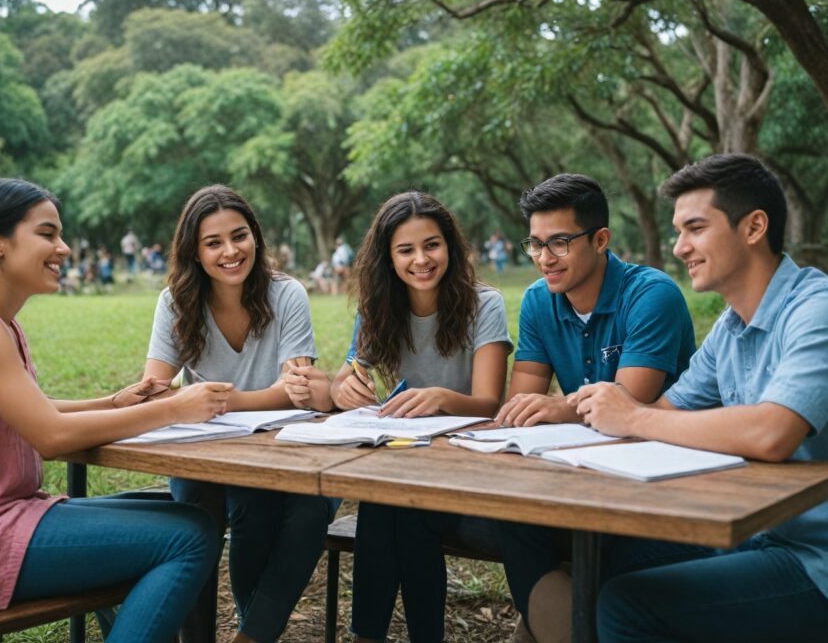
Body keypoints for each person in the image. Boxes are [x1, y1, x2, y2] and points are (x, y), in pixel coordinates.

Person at [0, 179, 232, 643]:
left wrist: (110, 402)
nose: (64, 248)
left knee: (186, 511)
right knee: (187, 538)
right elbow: (49, 436)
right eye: (47, 234)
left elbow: (30, 408)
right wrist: (176, 409)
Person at [571, 155, 828, 643]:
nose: (679, 247)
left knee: (629, 607)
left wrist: (634, 417)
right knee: (603, 556)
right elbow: (663, 414)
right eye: (677, 231)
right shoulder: (730, 330)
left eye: (694, 228)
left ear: (754, 227)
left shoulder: (816, 311)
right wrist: (609, 413)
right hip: (754, 537)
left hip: (814, 559)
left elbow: (772, 432)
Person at [494, 173, 696, 643]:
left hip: (664, 472)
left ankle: (555, 624)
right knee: (512, 518)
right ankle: (556, 622)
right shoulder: (538, 302)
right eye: (536, 244)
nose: (545, 258)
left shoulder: (651, 295)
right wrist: (536, 409)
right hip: (583, 466)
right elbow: (520, 402)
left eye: (560, 243)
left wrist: (557, 407)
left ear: (601, 239)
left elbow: (628, 401)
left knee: (607, 542)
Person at [143, 184, 337, 643]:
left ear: (256, 238)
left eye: (240, 236)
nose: (231, 251)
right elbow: (156, 386)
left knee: (273, 503)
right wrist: (163, 396)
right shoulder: (176, 301)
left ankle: (252, 634)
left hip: (279, 448)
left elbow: (297, 391)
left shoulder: (287, 294)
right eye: (214, 243)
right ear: (194, 251)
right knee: (195, 503)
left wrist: (214, 399)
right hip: (206, 449)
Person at [331, 191, 513, 643]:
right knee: (385, 501)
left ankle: (384, 636)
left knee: (402, 508)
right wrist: (344, 388)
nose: (421, 260)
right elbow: (346, 375)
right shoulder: (379, 306)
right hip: (406, 456)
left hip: (466, 460)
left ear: (450, 246)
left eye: (431, 245)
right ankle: (371, 635)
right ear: (388, 258)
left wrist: (442, 397)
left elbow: (490, 402)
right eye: (405, 250)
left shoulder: (483, 304)